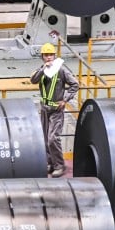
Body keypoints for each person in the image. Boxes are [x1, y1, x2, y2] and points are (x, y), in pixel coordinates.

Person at [30, 42, 78, 177]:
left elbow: (75, 84)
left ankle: (60, 165)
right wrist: (42, 69)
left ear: (55, 56)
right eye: (46, 55)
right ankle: (50, 163)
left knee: (52, 139)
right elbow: (33, 80)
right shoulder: (42, 69)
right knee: (45, 138)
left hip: (56, 109)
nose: (49, 57)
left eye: (51, 55)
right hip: (45, 108)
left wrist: (65, 100)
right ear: (42, 57)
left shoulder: (62, 70)